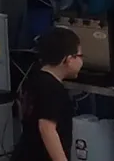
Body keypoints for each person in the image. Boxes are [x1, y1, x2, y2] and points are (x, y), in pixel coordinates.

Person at [15, 27, 82, 161]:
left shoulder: (33, 79)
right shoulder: (54, 89)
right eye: (80, 56)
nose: (82, 62)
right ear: (68, 59)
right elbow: (47, 128)